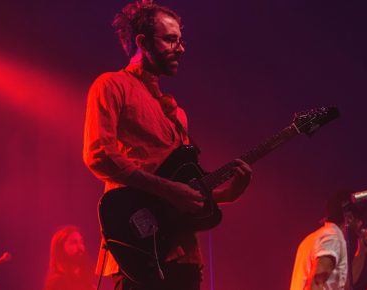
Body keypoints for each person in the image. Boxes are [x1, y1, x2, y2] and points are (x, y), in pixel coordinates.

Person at [82, 0, 252, 289]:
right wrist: (169, 190)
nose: (181, 48)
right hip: (140, 249)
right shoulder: (111, 86)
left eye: (181, 40)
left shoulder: (177, 114)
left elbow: (182, 192)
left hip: (184, 256)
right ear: (142, 42)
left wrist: (226, 194)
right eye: (170, 39)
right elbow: (99, 154)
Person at [290, 189, 367, 290]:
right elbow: (316, 284)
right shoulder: (333, 239)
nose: (361, 223)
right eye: (359, 218)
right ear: (349, 217)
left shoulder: (314, 238)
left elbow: (346, 285)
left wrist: (361, 251)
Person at [43, 226, 95, 290]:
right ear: (60, 248)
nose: (80, 247)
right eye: (74, 242)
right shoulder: (57, 282)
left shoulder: (84, 276)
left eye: (81, 242)